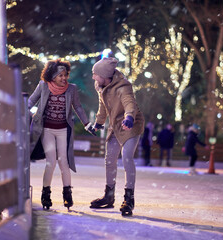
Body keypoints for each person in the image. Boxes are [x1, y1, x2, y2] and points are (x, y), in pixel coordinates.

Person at [28, 59, 95, 210]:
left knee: (63, 162)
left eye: (65, 75)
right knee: (51, 162)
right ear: (52, 76)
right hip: (47, 130)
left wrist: (86, 124)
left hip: (63, 130)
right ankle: (46, 194)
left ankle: (67, 194)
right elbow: (31, 101)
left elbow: (77, 106)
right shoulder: (43, 86)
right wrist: (21, 110)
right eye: (60, 75)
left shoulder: (71, 89)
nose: (64, 78)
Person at [89, 57, 145, 216]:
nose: (93, 77)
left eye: (96, 74)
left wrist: (129, 117)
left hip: (131, 123)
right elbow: (103, 105)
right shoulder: (100, 85)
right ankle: (109, 196)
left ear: (105, 76)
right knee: (110, 159)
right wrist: (99, 122)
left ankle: (129, 199)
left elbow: (129, 103)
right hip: (115, 124)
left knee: (127, 157)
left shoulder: (123, 86)